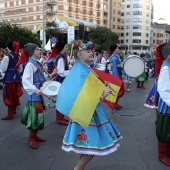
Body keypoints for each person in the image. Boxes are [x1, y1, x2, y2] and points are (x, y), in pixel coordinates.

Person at [58, 41, 122, 170]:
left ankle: (80, 168)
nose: (91, 53)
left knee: (83, 142)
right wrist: (102, 95)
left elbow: (90, 90)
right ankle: (78, 168)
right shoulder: (81, 72)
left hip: (88, 110)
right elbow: (83, 96)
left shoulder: (85, 69)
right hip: (87, 111)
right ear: (80, 55)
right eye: (88, 52)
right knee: (95, 142)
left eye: (91, 51)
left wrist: (102, 88)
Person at [16, 43, 57, 149]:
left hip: (39, 94)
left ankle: (35, 135)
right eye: (37, 49)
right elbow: (25, 81)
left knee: (38, 115)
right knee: (35, 116)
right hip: (35, 95)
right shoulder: (30, 65)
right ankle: (31, 137)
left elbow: (42, 76)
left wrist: (51, 75)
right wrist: (35, 89)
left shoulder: (37, 63)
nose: (40, 51)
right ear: (32, 52)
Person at [0, 41, 23, 120]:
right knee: (14, 94)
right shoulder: (17, 56)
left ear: (8, 48)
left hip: (9, 78)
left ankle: (10, 114)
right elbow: (20, 69)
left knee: (8, 95)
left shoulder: (7, 57)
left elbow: (3, 69)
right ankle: (13, 111)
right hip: (16, 78)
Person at [156, 43, 170, 166]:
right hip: (166, 106)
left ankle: (167, 151)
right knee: (164, 131)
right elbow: (164, 90)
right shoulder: (166, 68)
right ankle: (162, 155)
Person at [54, 41, 69, 125]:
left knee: (63, 98)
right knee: (61, 99)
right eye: (66, 47)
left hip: (63, 79)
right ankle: (59, 118)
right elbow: (61, 72)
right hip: (61, 80)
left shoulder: (63, 57)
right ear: (62, 48)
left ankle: (61, 117)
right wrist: (70, 72)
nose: (67, 48)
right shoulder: (60, 58)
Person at [109, 44, 124, 110]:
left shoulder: (115, 57)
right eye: (117, 48)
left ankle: (115, 103)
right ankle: (115, 103)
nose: (118, 49)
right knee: (119, 90)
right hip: (117, 76)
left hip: (118, 75)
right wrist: (117, 78)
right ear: (114, 50)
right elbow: (114, 68)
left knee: (118, 90)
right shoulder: (114, 58)